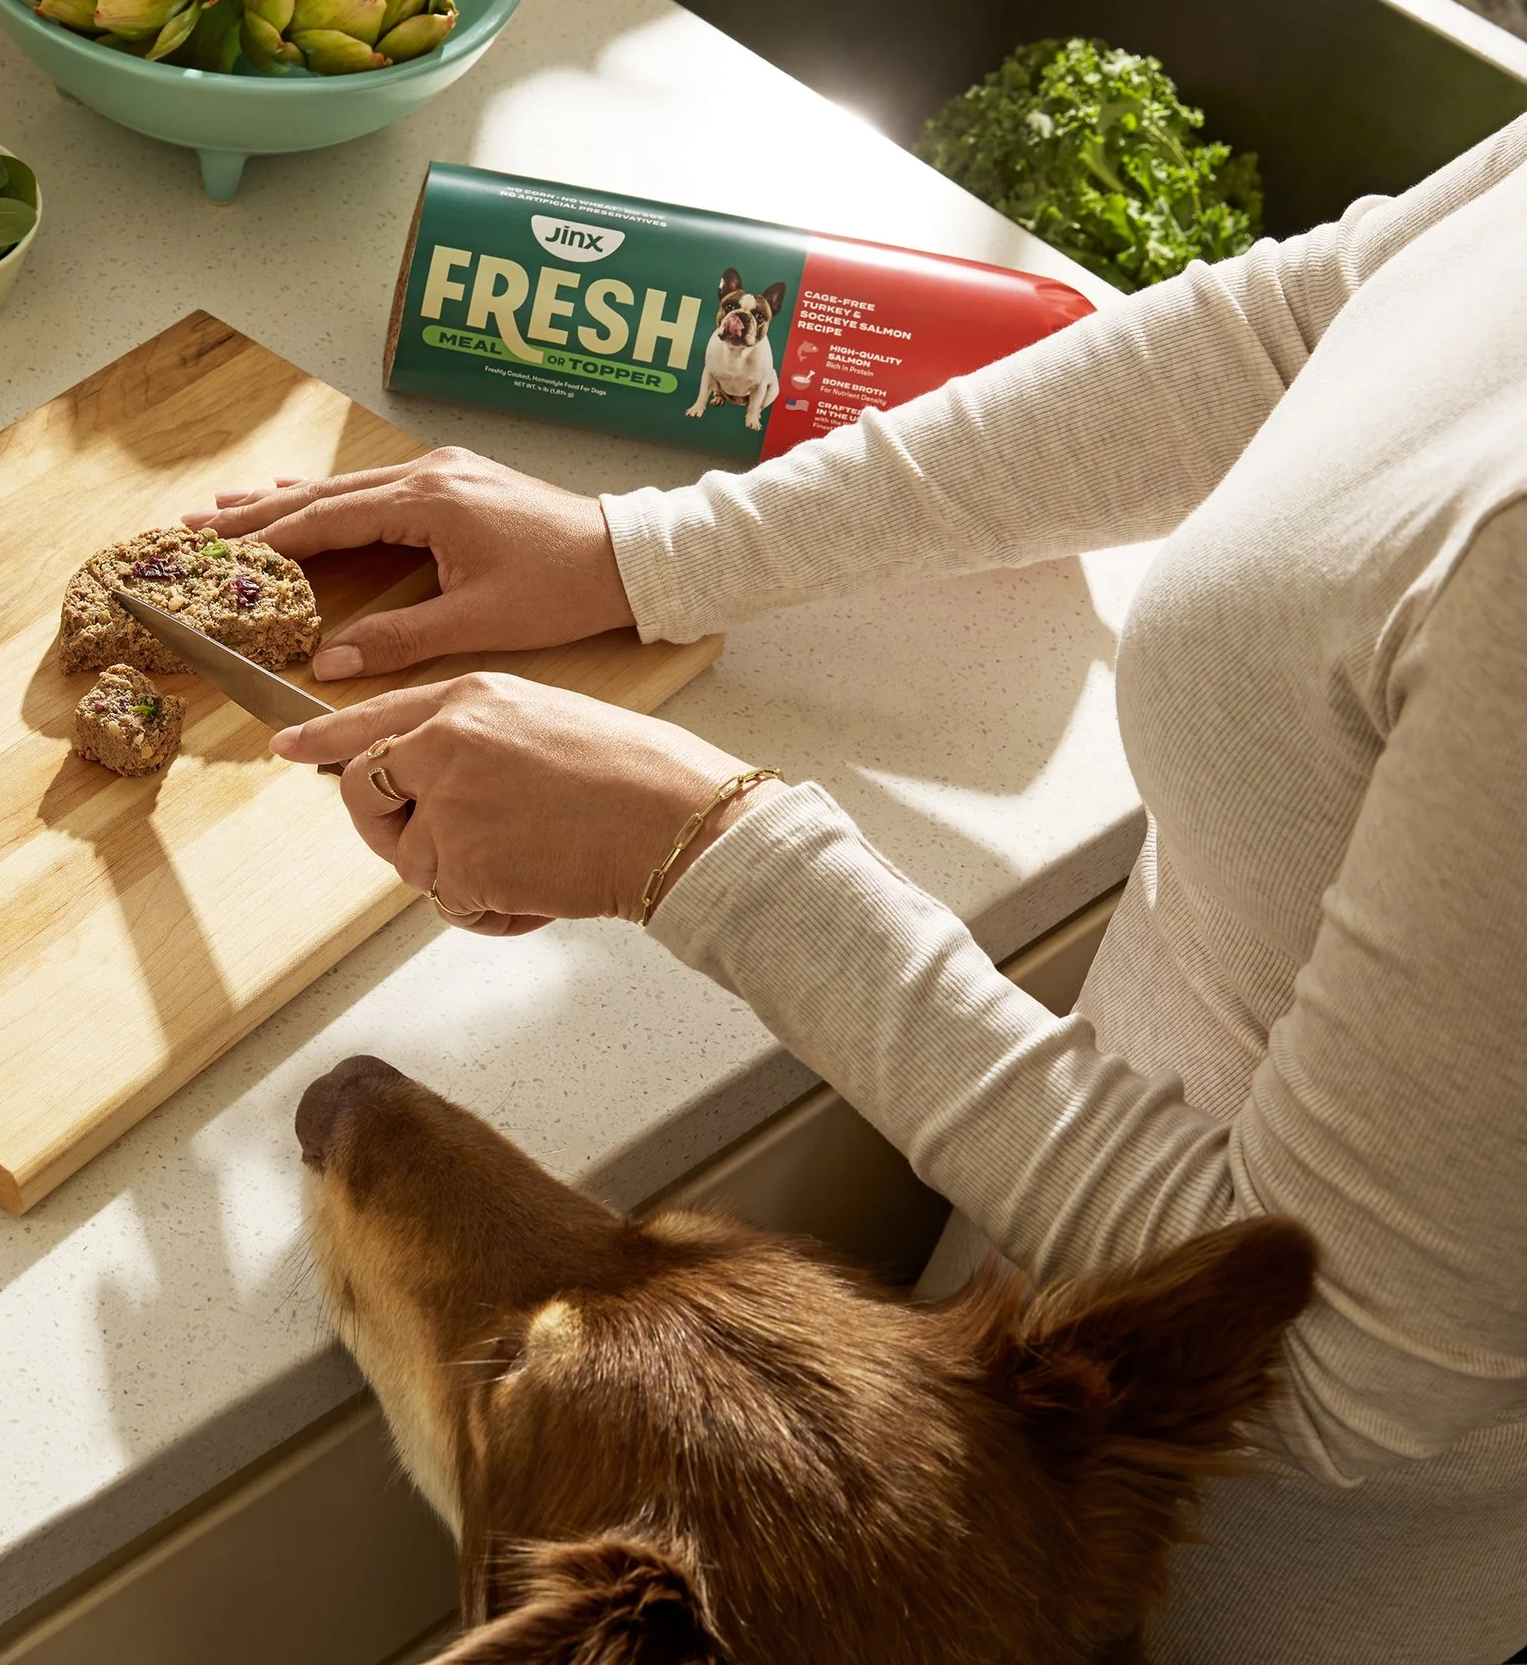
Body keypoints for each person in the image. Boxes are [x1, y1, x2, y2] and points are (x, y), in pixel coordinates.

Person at [188, 115, 1527, 1662]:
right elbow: (1311, 323)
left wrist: (707, 852)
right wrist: (650, 555)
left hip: (1254, 1572)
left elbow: (1354, 1357)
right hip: (1029, 1340)